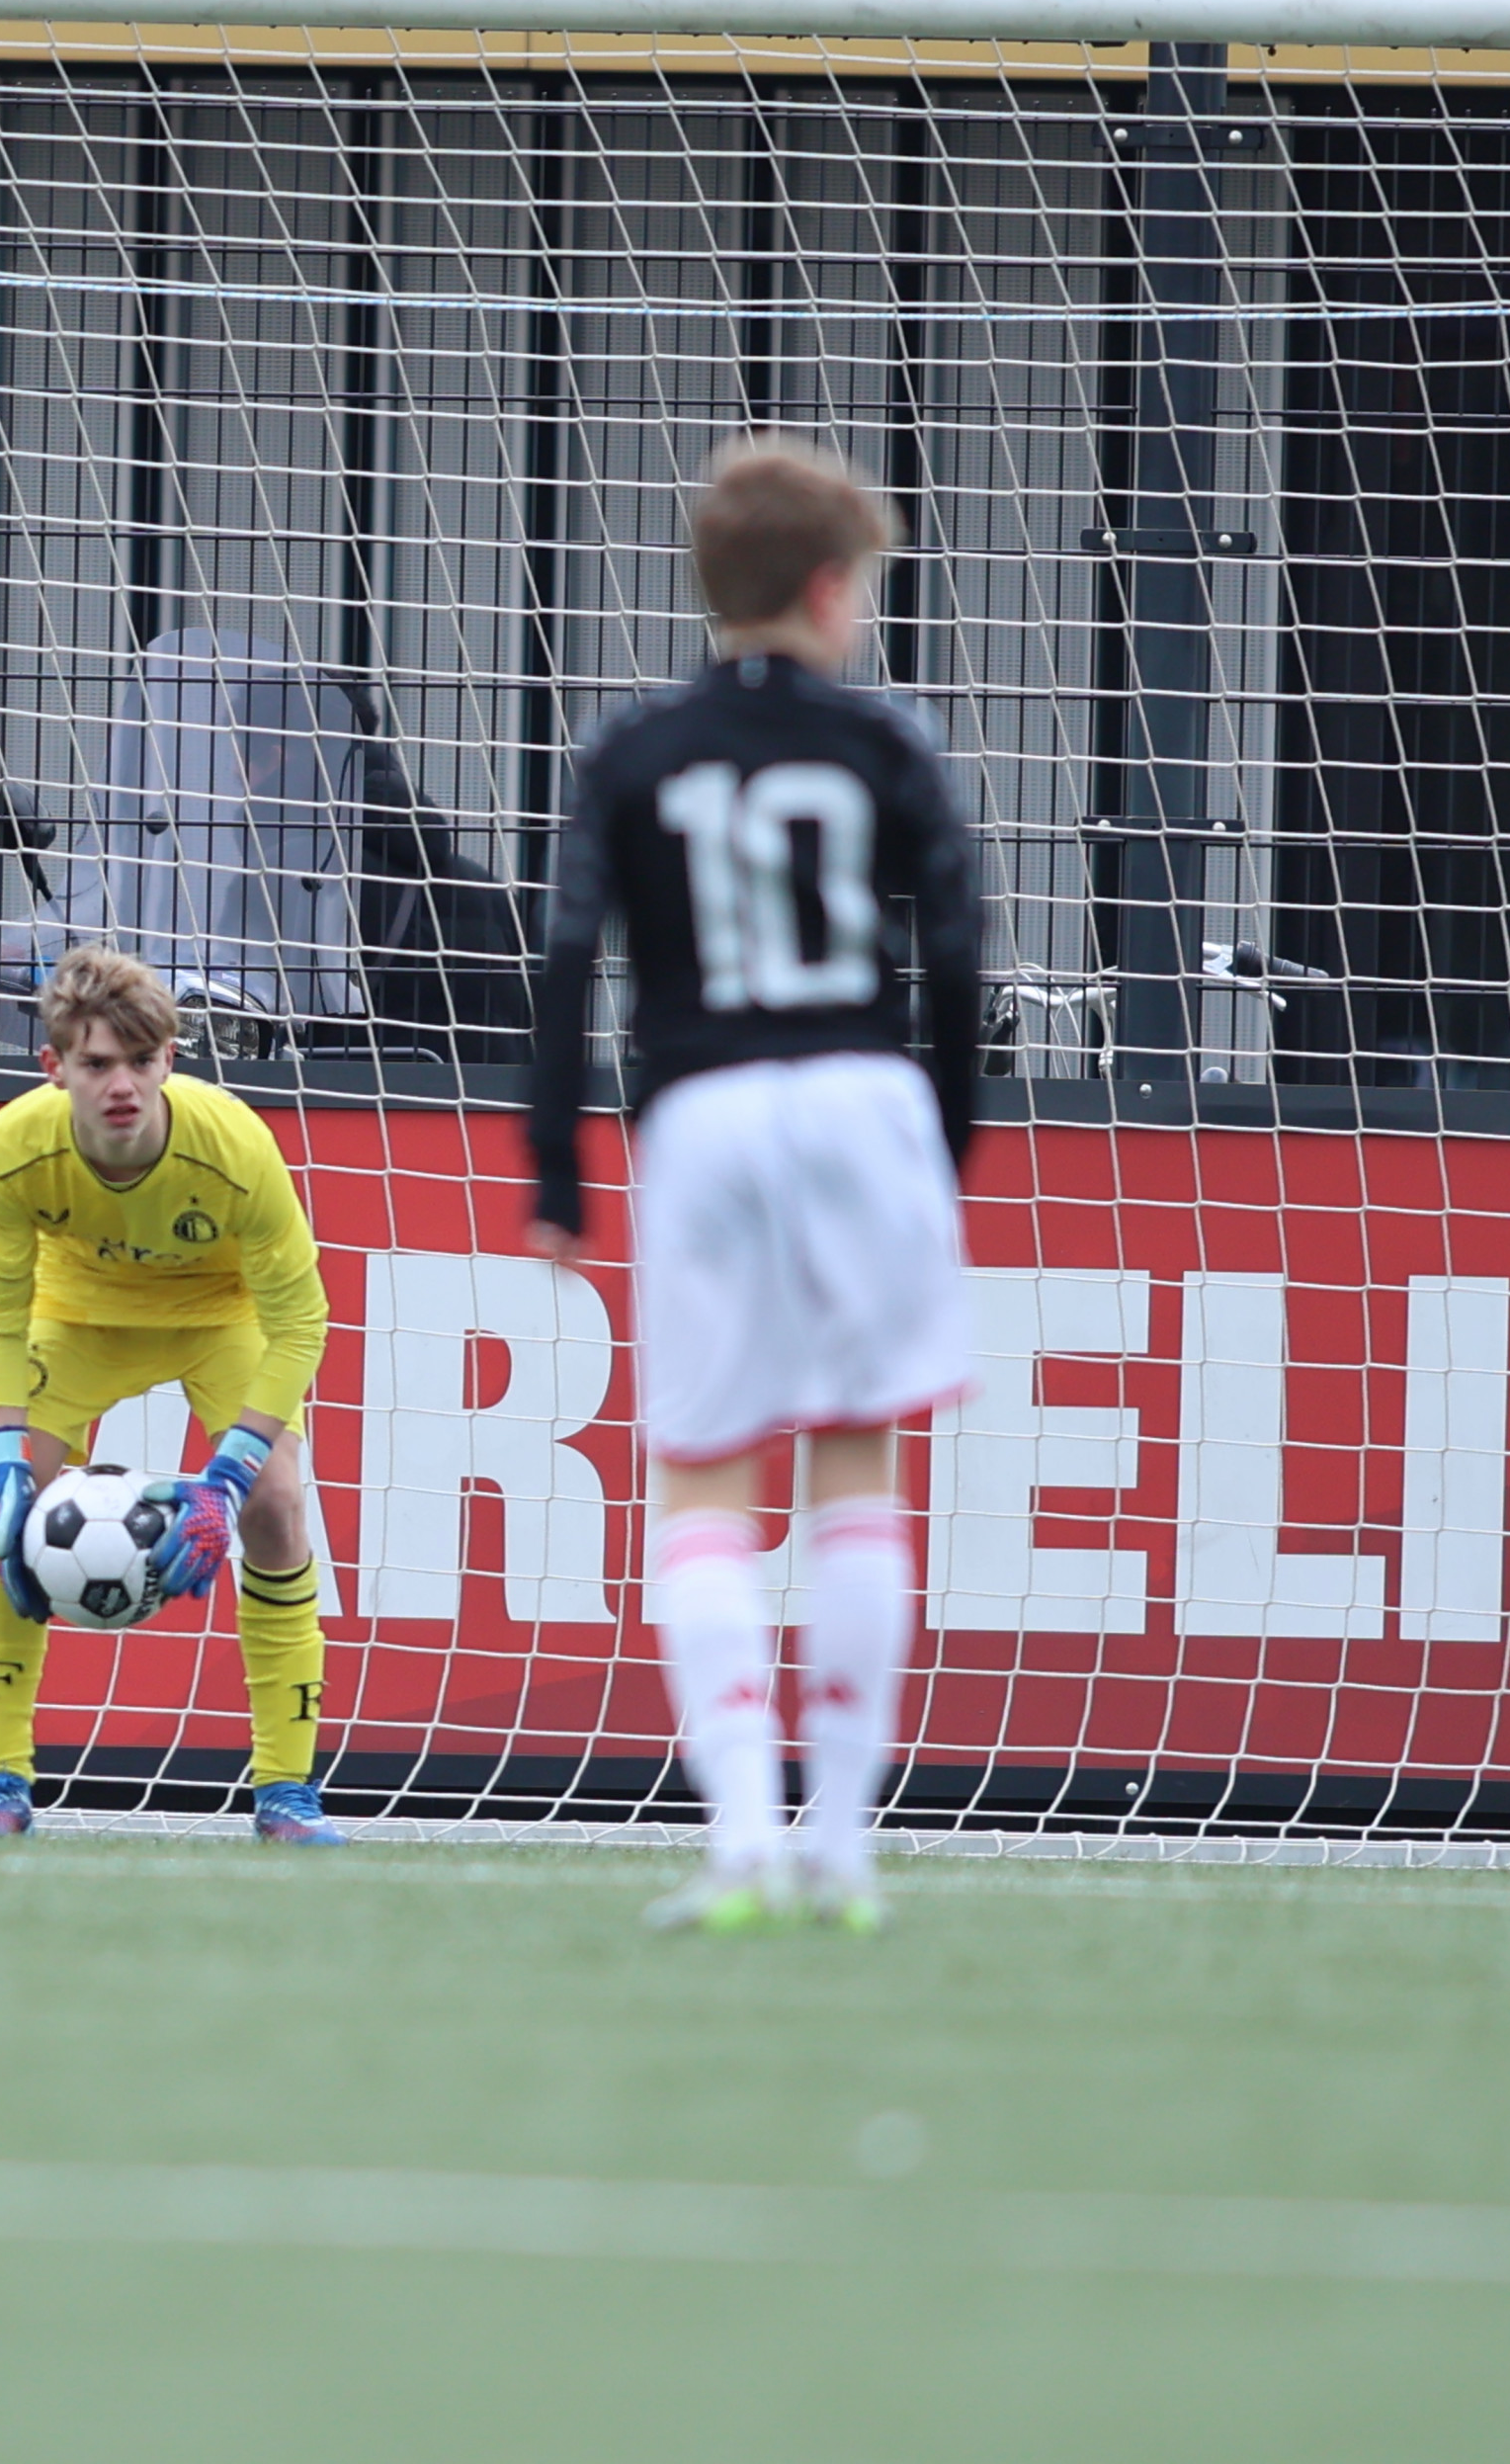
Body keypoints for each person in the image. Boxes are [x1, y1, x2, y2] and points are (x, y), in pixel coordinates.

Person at [525, 436, 986, 1932]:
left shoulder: (633, 750)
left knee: (703, 1480)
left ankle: (739, 1842)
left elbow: (564, 958)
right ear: (831, 587)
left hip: (706, 1107)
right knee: (858, 1458)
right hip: (864, 1097)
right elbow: (963, 953)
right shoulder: (886, 743)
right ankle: (842, 1847)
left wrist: (554, 1164)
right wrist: (950, 1135)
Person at [0, 943, 346, 1844]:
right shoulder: (10, 1148)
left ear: (171, 1059)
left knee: (278, 1504)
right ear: (54, 1068)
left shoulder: (236, 1145)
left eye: (142, 1060)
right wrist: (8, 1459)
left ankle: (286, 1794)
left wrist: (231, 1475)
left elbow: (302, 1321)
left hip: (218, 1313)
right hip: (78, 1312)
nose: (121, 1084)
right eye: (96, 1064)